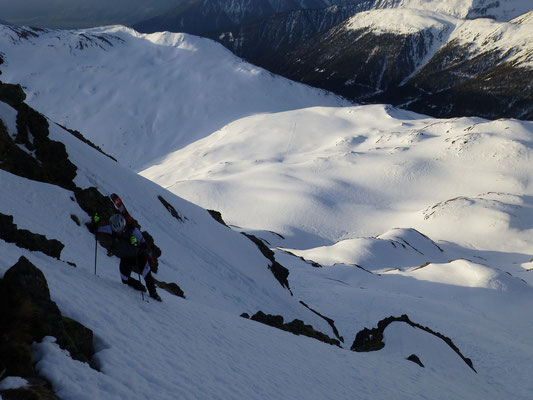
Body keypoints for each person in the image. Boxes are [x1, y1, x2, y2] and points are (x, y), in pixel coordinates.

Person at [92, 213, 162, 302]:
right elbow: (95, 229)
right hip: (125, 258)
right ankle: (139, 286)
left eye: (120, 229)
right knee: (125, 280)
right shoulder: (111, 229)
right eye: (116, 230)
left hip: (139, 256)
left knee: (147, 276)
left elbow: (145, 246)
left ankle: (154, 294)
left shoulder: (133, 231)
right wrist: (95, 222)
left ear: (123, 225)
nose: (119, 232)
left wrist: (136, 243)